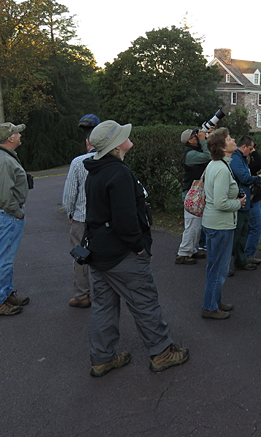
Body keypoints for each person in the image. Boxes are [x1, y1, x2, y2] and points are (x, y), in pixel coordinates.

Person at [84, 120, 189, 377]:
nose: (127, 137)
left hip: (98, 251)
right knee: (144, 301)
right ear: (115, 144)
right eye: (122, 135)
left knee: (103, 306)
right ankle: (162, 352)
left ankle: (102, 358)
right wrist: (138, 247)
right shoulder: (118, 172)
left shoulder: (95, 171)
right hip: (122, 253)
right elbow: (125, 219)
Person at [0, 122, 30, 317]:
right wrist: (17, 212)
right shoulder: (3, 161)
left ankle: (5, 294)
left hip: (2, 214)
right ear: (10, 138)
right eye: (17, 133)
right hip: (6, 215)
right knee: (3, 260)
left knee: (6, 259)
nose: (19, 135)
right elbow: (3, 196)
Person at [200, 127, 246, 320]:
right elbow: (220, 202)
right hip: (220, 225)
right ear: (221, 146)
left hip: (214, 223)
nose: (233, 139)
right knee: (219, 269)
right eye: (229, 138)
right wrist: (239, 203)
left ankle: (214, 301)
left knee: (215, 266)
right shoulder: (220, 169)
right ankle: (210, 307)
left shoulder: (216, 164)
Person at [61, 114, 100, 308]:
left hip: (82, 218)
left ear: (87, 143)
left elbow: (69, 195)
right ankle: (105, 294)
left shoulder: (78, 163)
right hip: (104, 218)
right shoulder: (112, 161)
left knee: (80, 258)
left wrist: (70, 213)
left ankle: (82, 295)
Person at [175, 127, 212, 265]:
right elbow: (209, 156)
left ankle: (192, 249)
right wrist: (203, 140)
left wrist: (207, 138)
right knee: (192, 226)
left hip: (195, 194)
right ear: (190, 140)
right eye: (195, 136)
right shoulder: (190, 154)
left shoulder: (193, 151)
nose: (197, 137)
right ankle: (183, 253)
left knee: (197, 226)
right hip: (191, 195)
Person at [229, 135, 261, 272]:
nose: (251, 152)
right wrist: (256, 179)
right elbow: (243, 177)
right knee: (237, 234)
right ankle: (227, 264)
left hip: (245, 201)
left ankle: (241, 260)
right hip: (240, 201)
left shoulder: (241, 158)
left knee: (243, 233)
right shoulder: (236, 158)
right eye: (250, 149)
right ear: (244, 147)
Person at [244, 145, 261, 265]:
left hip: (251, 198)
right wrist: (253, 151)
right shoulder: (244, 166)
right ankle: (249, 254)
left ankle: (244, 252)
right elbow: (259, 163)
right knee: (256, 226)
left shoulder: (242, 166)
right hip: (252, 200)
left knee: (248, 227)